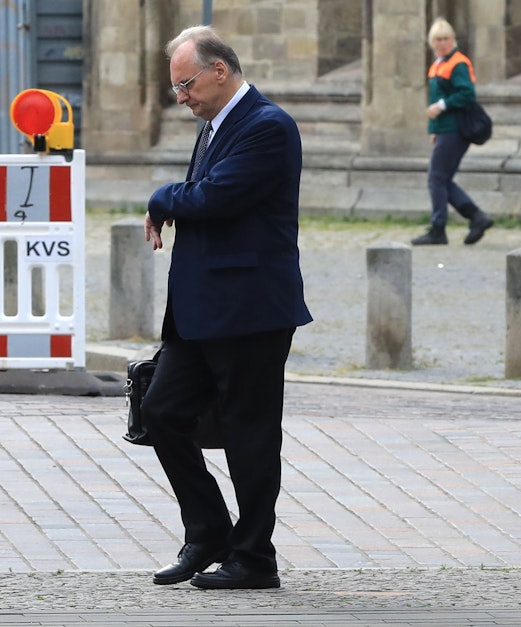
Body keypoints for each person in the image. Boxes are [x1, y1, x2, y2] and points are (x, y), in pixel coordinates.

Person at [139, 25, 311, 591]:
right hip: (200, 311)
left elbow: (216, 198)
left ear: (220, 70)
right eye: (175, 89)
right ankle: (209, 528)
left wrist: (163, 197)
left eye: (185, 84)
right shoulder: (215, 124)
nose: (180, 97)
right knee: (160, 412)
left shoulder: (267, 126)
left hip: (251, 310)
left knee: (250, 434)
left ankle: (254, 558)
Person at [409, 18, 494, 246]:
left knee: (436, 178)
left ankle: (439, 228)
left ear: (453, 40)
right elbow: (433, 98)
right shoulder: (438, 64)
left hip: (456, 128)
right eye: (438, 39)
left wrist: (441, 107)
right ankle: (477, 217)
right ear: (431, 42)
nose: (443, 43)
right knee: (442, 179)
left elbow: (467, 94)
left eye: (446, 38)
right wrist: (433, 130)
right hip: (443, 129)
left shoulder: (458, 63)